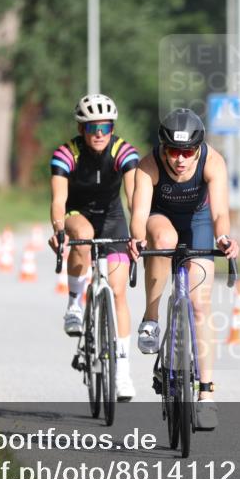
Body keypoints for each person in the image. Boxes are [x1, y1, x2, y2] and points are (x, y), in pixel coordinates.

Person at [127, 108, 240, 431]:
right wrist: (136, 239)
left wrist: (223, 237)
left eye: (187, 152)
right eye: (173, 151)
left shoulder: (213, 161)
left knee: (200, 305)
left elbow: (220, 213)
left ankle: (205, 393)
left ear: (197, 149)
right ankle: (151, 317)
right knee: (162, 238)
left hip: (200, 223)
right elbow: (139, 213)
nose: (179, 159)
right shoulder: (147, 166)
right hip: (160, 218)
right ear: (163, 148)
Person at [48, 94, 140, 400]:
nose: (99, 133)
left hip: (113, 218)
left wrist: (137, 232)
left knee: (117, 292)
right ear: (81, 128)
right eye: (91, 127)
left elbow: (132, 196)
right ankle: (75, 303)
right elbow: (59, 200)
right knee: (83, 236)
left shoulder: (123, 151)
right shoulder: (66, 154)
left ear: (112, 127)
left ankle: (123, 373)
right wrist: (59, 229)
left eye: (105, 126)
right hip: (78, 215)